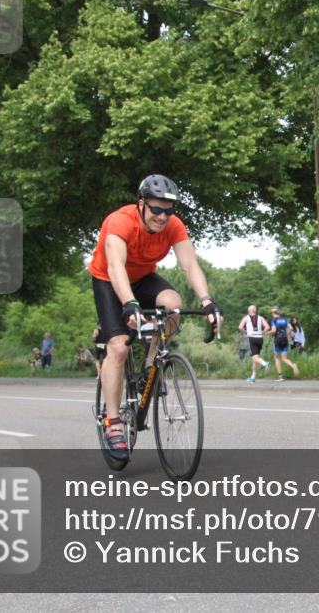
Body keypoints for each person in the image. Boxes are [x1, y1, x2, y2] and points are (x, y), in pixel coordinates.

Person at [88, 174, 217, 462]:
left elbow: (189, 264)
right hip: (109, 279)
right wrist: (129, 305)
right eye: (156, 210)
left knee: (173, 304)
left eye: (168, 211)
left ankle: (151, 363)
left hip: (144, 277)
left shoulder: (173, 225)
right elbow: (116, 268)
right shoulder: (120, 221)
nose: (162, 217)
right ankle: (113, 424)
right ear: (141, 204)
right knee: (119, 347)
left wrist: (207, 300)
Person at [238, 305, 271, 383]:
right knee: (255, 358)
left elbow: (240, 327)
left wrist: (246, 332)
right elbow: (267, 327)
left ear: (249, 311)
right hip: (260, 339)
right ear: (255, 311)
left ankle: (265, 363)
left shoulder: (246, 318)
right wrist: (262, 332)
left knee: (255, 358)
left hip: (252, 338)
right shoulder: (261, 318)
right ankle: (253, 377)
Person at [267, 307, 299, 381]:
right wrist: (286, 334)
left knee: (277, 358)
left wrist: (268, 332)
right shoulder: (285, 320)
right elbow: (291, 328)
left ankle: (280, 377)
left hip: (278, 340)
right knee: (284, 358)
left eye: (271, 313)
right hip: (285, 340)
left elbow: (274, 331)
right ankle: (293, 365)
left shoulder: (274, 320)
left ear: (273, 313)